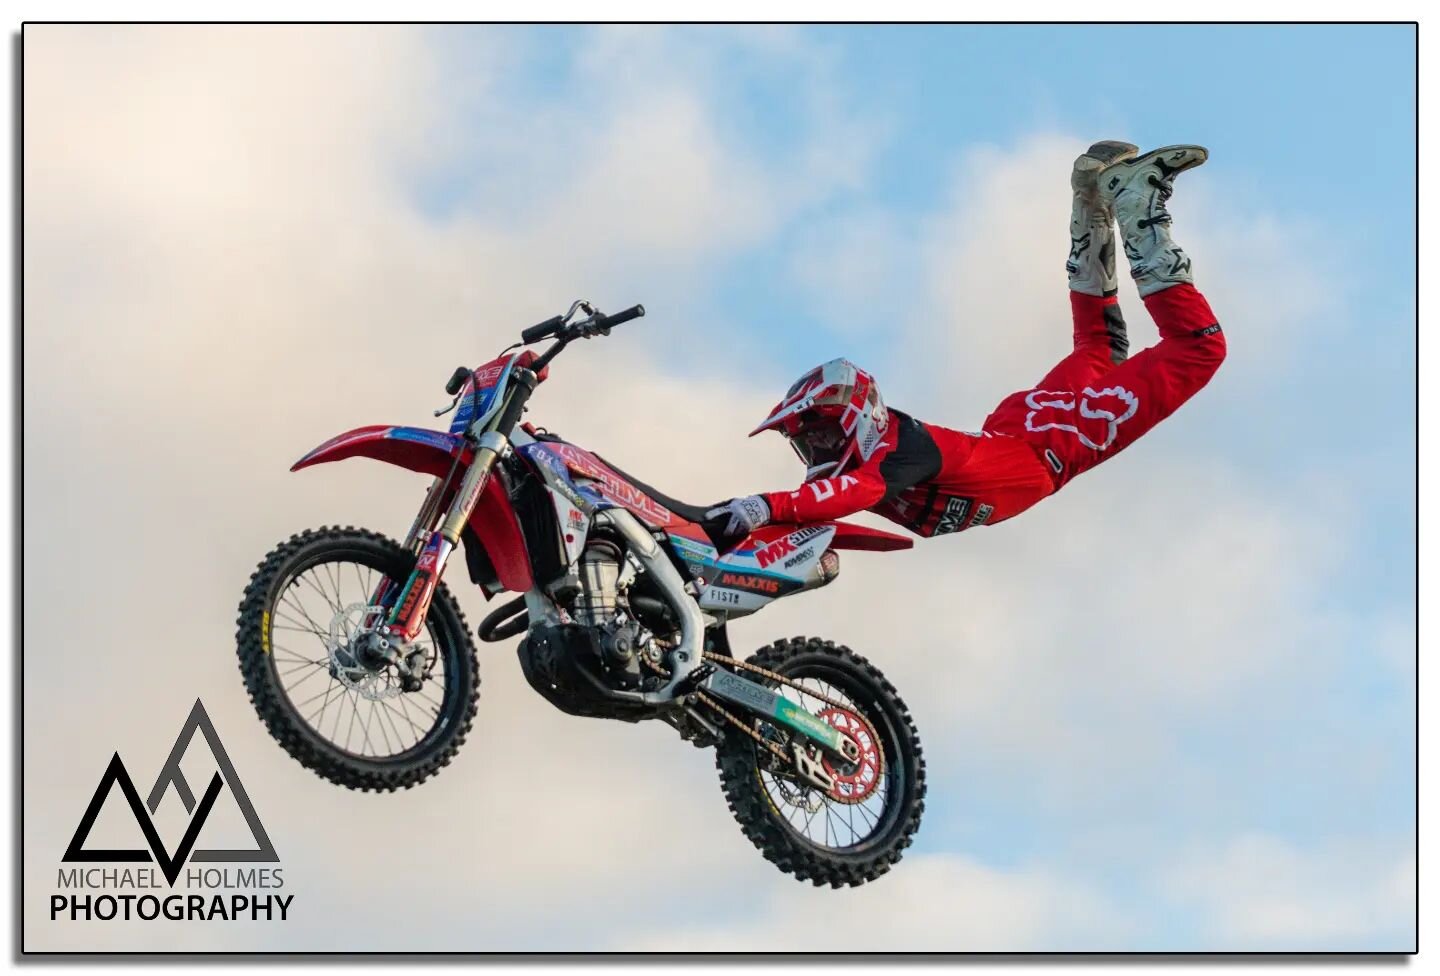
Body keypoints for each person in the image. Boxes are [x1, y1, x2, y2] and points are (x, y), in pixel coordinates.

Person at [707, 142, 1228, 539]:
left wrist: (762, 506)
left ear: (858, 417)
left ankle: (1136, 202)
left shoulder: (894, 451)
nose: (815, 450)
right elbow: (817, 508)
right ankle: (1091, 198)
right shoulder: (866, 466)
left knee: (1197, 347)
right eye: (808, 442)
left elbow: (849, 493)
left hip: (1043, 449)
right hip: (1015, 438)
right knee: (1100, 348)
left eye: (821, 436)